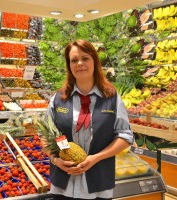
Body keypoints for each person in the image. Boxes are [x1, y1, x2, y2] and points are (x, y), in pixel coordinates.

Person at [43, 40, 134, 200]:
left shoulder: (111, 98)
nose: (80, 64)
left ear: (95, 61)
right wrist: (57, 159)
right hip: (63, 185)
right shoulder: (59, 99)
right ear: (69, 65)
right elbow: (47, 135)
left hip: (98, 184)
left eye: (85, 58)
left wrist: (96, 158)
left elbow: (125, 136)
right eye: (74, 60)